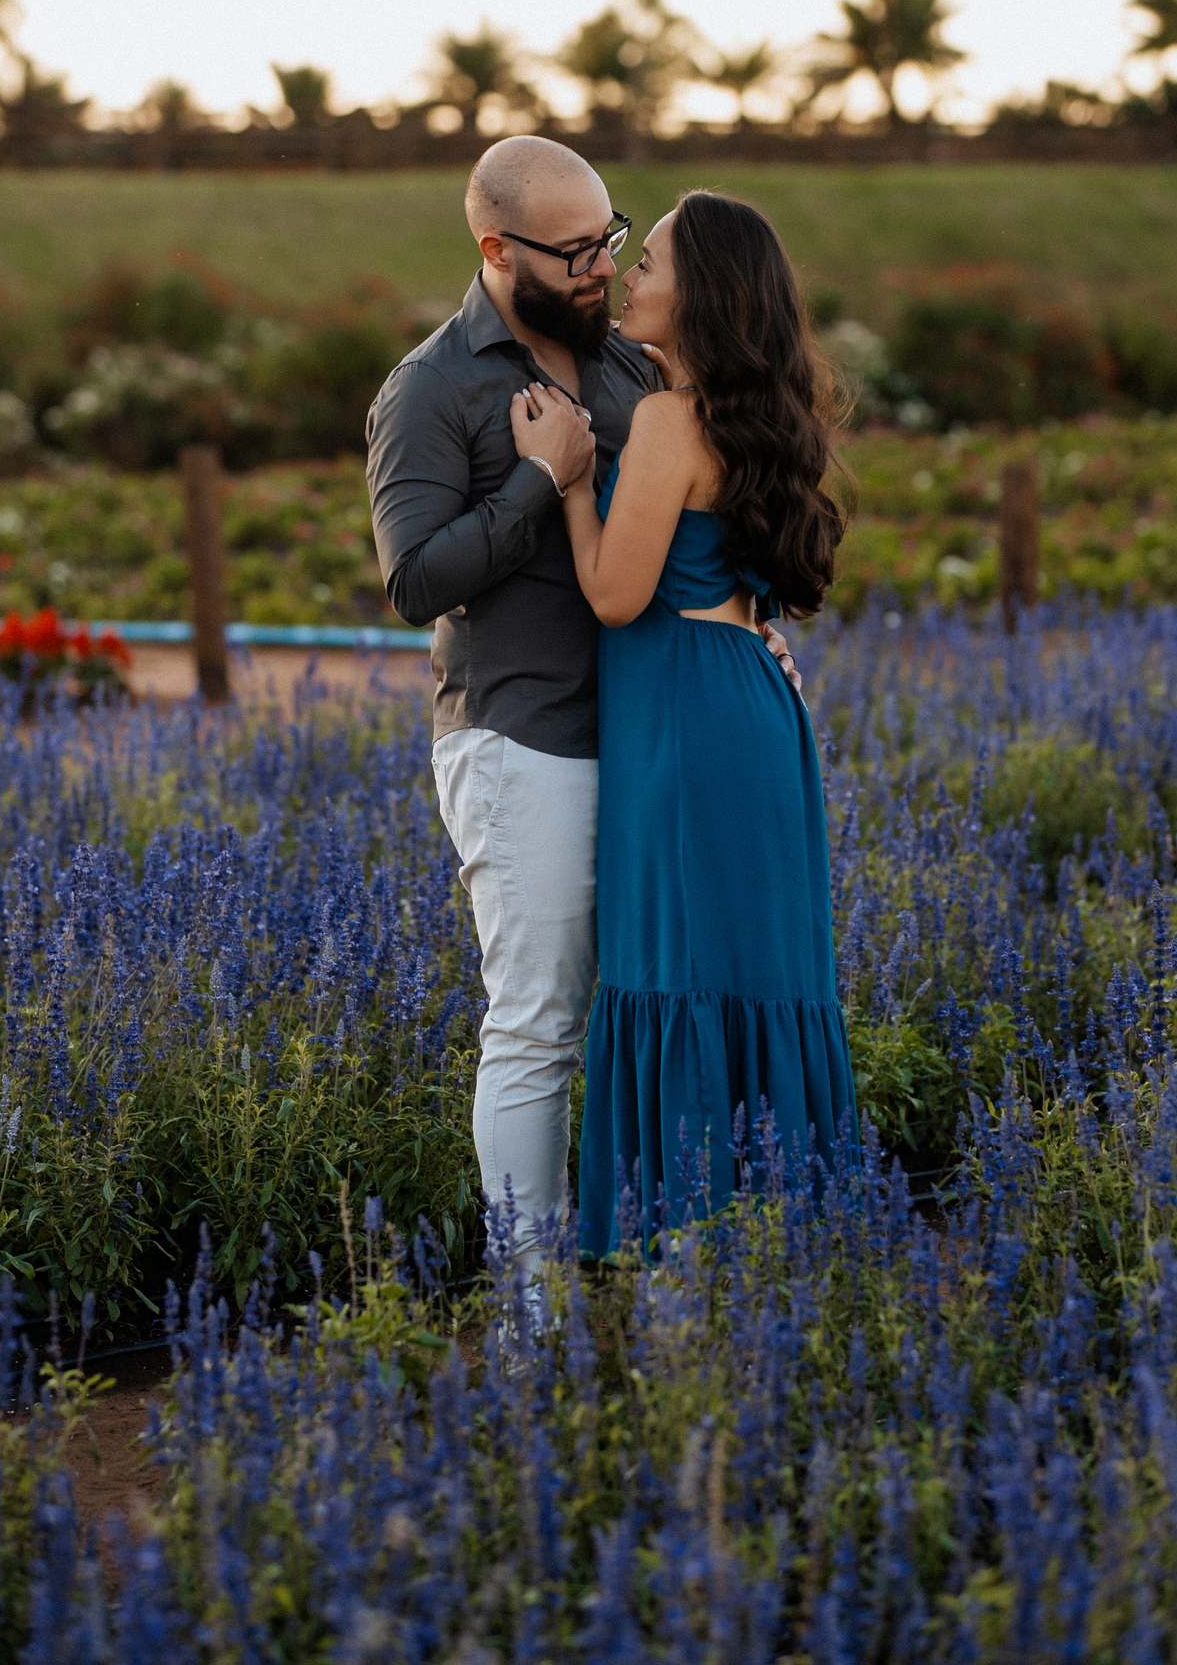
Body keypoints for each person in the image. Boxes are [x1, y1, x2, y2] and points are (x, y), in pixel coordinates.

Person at [366, 140, 798, 1287]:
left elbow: (702, 508)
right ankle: (533, 1319)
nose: (604, 266)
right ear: (497, 250)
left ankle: (668, 1288)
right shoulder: (432, 388)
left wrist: (752, 624)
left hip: (656, 745)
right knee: (540, 1025)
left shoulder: (629, 367)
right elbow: (414, 582)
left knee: (658, 1010)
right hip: (527, 740)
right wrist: (535, 478)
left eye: (610, 239)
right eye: (575, 252)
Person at [510, 191, 857, 1256]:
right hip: (753, 704)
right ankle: (781, 1242)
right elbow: (754, 589)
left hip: (684, 725)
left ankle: (687, 1261)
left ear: (700, 293)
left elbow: (617, 597)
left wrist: (572, 480)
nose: (629, 275)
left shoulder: (669, 421)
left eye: (650, 262)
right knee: (763, 973)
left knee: (679, 963)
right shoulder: (766, 419)